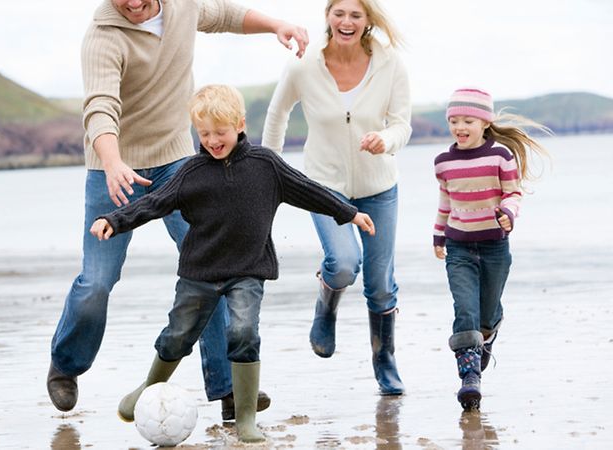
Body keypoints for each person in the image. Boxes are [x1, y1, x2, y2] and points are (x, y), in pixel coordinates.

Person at [47, 0, 311, 420]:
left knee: (214, 267)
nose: (133, 3)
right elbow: (100, 107)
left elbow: (225, 16)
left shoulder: (182, 7)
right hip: (112, 166)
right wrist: (113, 161)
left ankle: (227, 389)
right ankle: (66, 365)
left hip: (175, 159)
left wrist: (277, 24)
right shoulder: (103, 37)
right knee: (98, 280)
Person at [90, 84, 375, 442]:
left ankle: (244, 419)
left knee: (243, 333)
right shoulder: (191, 172)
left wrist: (348, 213)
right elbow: (154, 203)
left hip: (248, 270)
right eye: (204, 133)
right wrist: (114, 220)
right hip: (200, 273)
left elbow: (309, 190)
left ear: (240, 124)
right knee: (178, 335)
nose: (212, 140)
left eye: (219, 132)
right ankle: (148, 387)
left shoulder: (266, 166)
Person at [261, 0, 411, 395]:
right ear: (328, 15)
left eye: (355, 15)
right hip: (324, 186)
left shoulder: (389, 63)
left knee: (380, 284)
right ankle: (326, 307)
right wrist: (268, 174)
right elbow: (277, 117)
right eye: (339, 13)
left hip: (379, 188)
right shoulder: (304, 65)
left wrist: (387, 140)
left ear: (368, 21)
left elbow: (401, 124)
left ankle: (384, 359)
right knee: (344, 264)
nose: (346, 22)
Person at [433, 87, 549, 410]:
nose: (460, 127)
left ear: (484, 123)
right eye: (454, 120)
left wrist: (508, 214)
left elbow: (513, 193)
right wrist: (438, 235)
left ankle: (489, 330)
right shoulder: (443, 162)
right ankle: (470, 378)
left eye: (467, 120)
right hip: (458, 247)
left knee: (486, 314)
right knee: (465, 309)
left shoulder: (501, 156)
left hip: (495, 246)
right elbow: (445, 202)